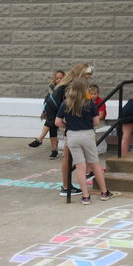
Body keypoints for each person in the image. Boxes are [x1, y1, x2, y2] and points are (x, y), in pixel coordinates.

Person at [55, 75, 113, 204]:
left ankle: (85, 196)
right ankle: (104, 192)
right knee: (95, 164)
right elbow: (96, 121)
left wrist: (67, 126)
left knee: (80, 167)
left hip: (72, 135)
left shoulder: (66, 103)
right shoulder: (89, 103)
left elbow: (57, 122)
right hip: (87, 134)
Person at [53, 63, 94, 195]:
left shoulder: (65, 86)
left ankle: (69, 184)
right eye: (86, 75)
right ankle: (66, 187)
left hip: (70, 125)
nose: (88, 78)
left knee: (69, 154)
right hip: (71, 126)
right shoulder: (69, 88)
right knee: (67, 155)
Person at [29, 70, 65, 159]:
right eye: (57, 78)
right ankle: (54, 151)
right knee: (52, 129)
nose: (59, 80)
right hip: (51, 111)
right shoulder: (52, 87)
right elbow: (48, 97)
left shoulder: (64, 88)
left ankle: (40, 139)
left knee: (50, 122)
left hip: (59, 111)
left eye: (61, 78)